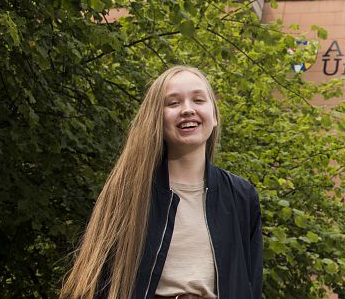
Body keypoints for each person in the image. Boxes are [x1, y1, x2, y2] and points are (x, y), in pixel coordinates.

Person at [60, 66, 262, 299]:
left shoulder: (241, 196)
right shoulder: (131, 192)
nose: (188, 110)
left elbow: (251, 284)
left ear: (214, 115)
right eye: (173, 103)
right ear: (156, 118)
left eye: (198, 99)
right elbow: (99, 282)